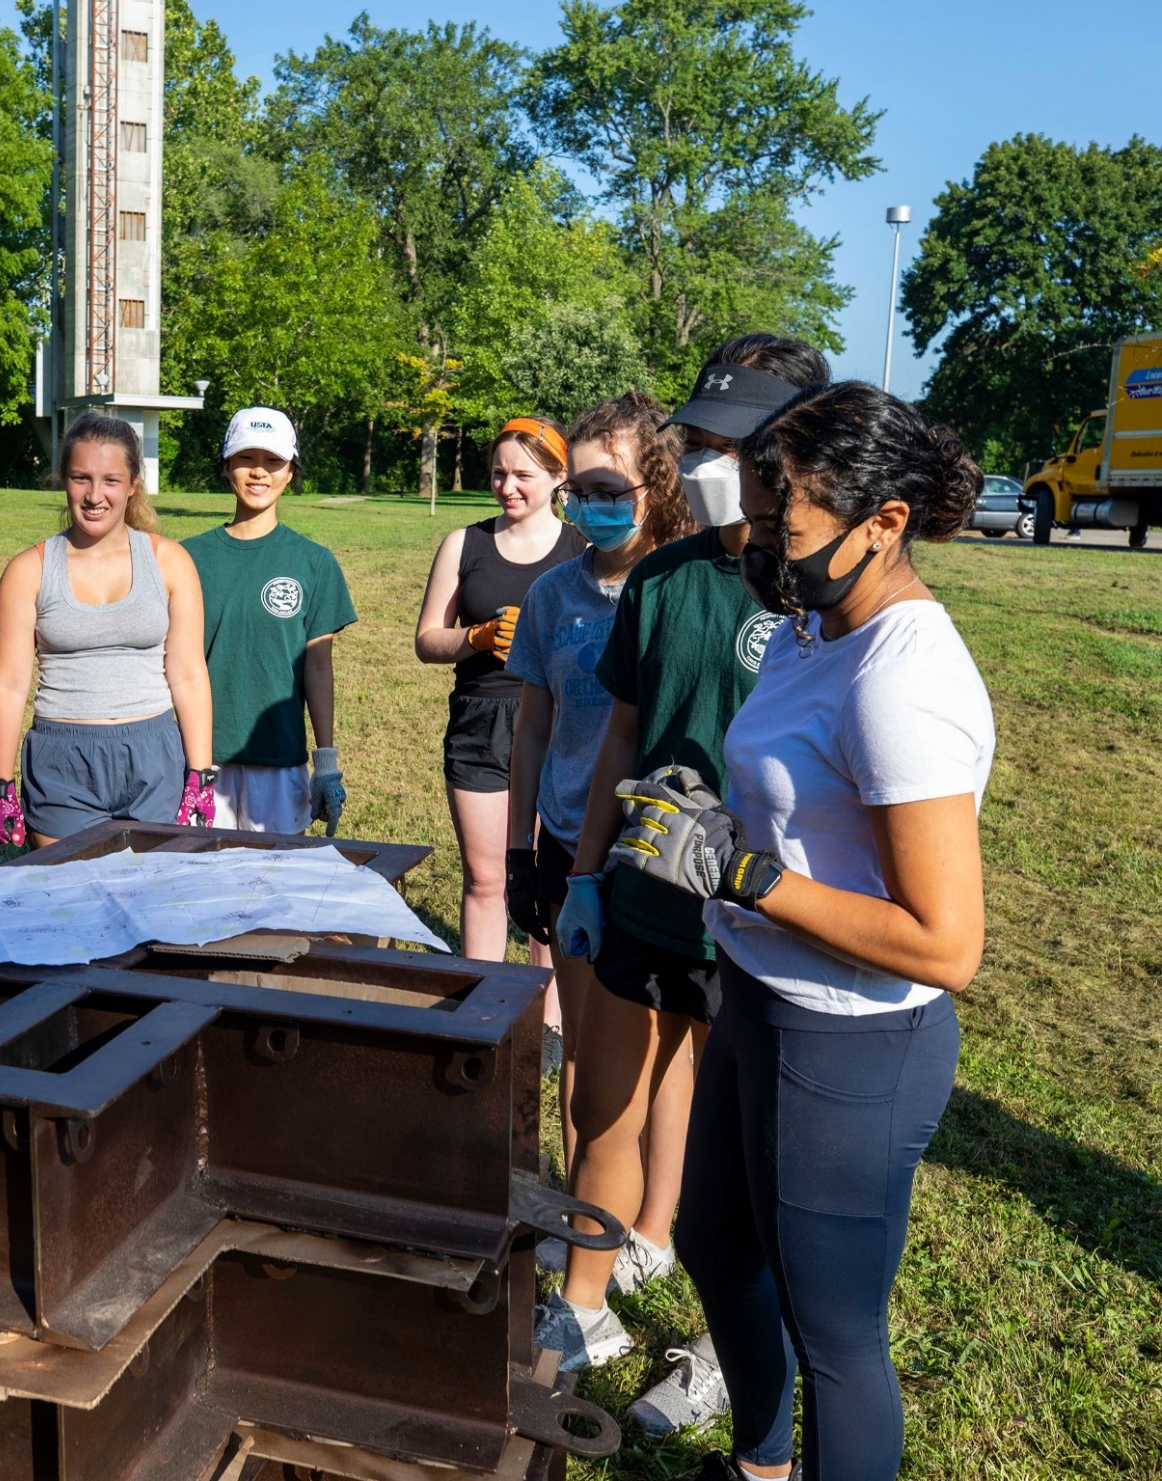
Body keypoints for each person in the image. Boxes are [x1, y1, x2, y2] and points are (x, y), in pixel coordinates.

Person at [607, 382, 990, 1481]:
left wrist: (745, 871)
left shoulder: (902, 675)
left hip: (851, 1040)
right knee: (715, 1240)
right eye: (765, 517)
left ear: (885, 523)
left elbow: (944, 942)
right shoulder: (816, 628)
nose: (767, 543)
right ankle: (764, 1463)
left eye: (790, 524)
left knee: (836, 1338)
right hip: (759, 997)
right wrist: (716, 825)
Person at [534, 338, 828, 1430]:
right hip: (641, 891)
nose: (716, 463)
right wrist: (582, 871)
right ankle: (581, 1302)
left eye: (738, 443)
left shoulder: (821, 593)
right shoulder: (664, 576)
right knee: (599, 1106)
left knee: (735, 1155)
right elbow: (620, 730)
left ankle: (723, 1346)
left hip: (762, 921)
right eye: (700, 441)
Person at [504, 393, 693, 1235]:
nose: (590, 503)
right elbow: (535, 726)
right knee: (582, 1046)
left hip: (657, 851)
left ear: (656, 482)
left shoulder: (690, 586)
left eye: (609, 484)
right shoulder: (552, 595)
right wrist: (519, 850)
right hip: (569, 848)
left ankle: (653, 1226)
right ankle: (587, 1223)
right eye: (577, 487)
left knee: (665, 1049)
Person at [0, 411, 214, 846]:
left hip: (154, 754)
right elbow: (10, 685)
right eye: (80, 478)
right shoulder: (28, 570)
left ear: (132, 486)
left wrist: (200, 776)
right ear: (64, 481)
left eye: (110, 480)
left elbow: (188, 674)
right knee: (69, 905)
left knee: (153, 901)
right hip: (62, 760)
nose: (94, 495)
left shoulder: (171, 562)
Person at [415, 417, 585, 959]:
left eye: (523, 476)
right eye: (497, 473)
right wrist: (477, 636)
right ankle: (484, 1018)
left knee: (547, 882)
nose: (506, 487)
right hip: (480, 722)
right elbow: (426, 641)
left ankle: (550, 1029)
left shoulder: (582, 551)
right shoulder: (464, 544)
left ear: (560, 477)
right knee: (486, 880)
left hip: (559, 725)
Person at [183, 407, 357, 834]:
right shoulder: (185, 558)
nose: (259, 472)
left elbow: (318, 667)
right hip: (201, 760)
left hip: (280, 760)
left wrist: (327, 764)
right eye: (246, 458)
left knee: (274, 889)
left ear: (290, 472)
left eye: (273, 461)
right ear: (226, 467)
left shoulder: (314, 562)